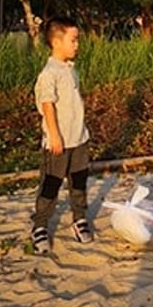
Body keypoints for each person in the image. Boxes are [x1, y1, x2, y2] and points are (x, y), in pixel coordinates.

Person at [31, 17, 92, 254]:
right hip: (58, 143)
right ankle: (40, 225)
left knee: (78, 181)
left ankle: (79, 219)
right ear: (57, 42)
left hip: (79, 139)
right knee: (51, 185)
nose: (77, 45)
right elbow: (47, 105)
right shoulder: (49, 72)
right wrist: (54, 136)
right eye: (73, 40)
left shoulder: (70, 69)